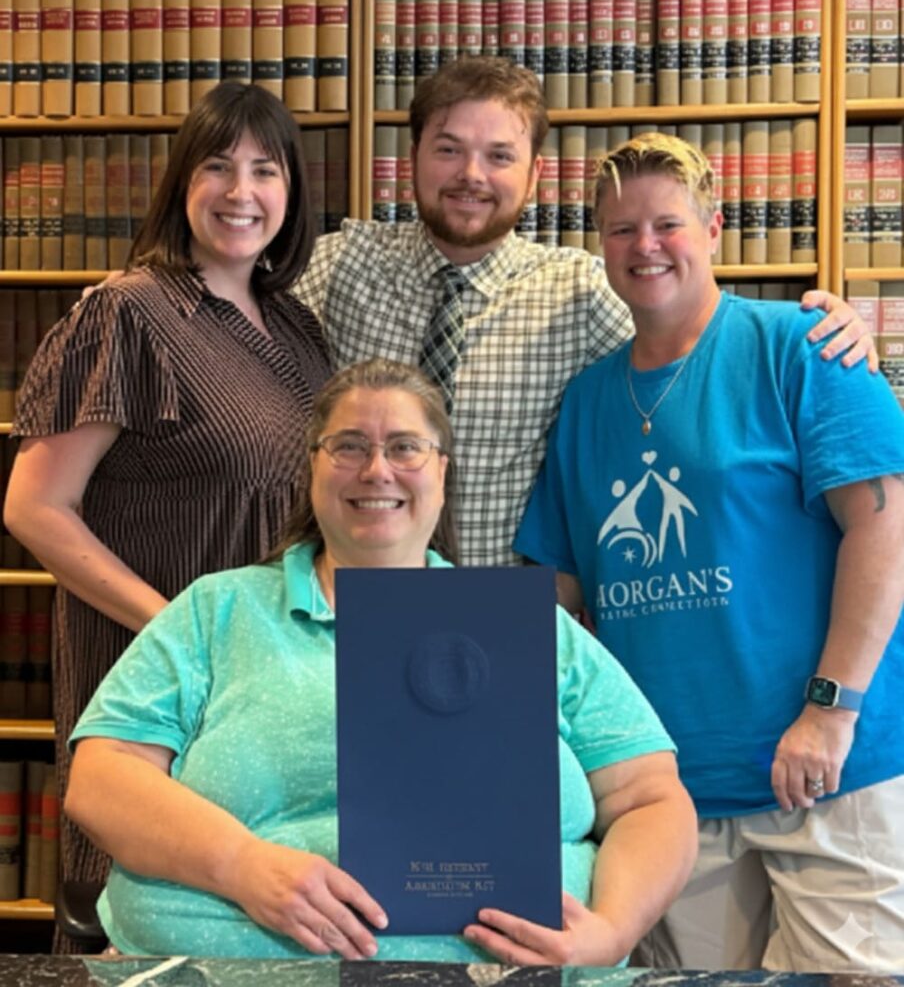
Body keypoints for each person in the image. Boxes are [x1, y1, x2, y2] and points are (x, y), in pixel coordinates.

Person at [63, 358, 697, 964]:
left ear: (442, 471)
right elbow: (101, 777)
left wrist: (611, 932)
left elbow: (649, 799)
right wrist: (243, 865)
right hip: (222, 965)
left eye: (404, 447)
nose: (376, 470)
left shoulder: (529, 626)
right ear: (312, 467)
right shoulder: (217, 611)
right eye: (348, 446)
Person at [514, 133, 904, 972]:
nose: (645, 246)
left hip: (831, 774)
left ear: (715, 228)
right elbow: (559, 596)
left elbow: (886, 527)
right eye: (621, 230)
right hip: (669, 799)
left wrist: (830, 711)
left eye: (668, 224)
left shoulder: (803, 348)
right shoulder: (585, 402)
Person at [296, 54, 877, 568]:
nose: (471, 175)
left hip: (504, 614)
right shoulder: (342, 263)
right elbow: (243, 306)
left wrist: (822, 330)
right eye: (449, 150)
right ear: (413, 156)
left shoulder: (579, 292)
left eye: (499, 155)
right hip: (346, 604)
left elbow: (693, 348)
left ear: (534, 175)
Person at [3, 82, 332, 935]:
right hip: (158, 683)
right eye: (217, 166)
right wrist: (181, 630)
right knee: (150, 915)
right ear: (182, 181)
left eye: (265, 170)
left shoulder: (298, 328)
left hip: (268, 688)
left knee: (266, 910)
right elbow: (35, 508)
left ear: (292, 191)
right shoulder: (127, 313)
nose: (240, 191)